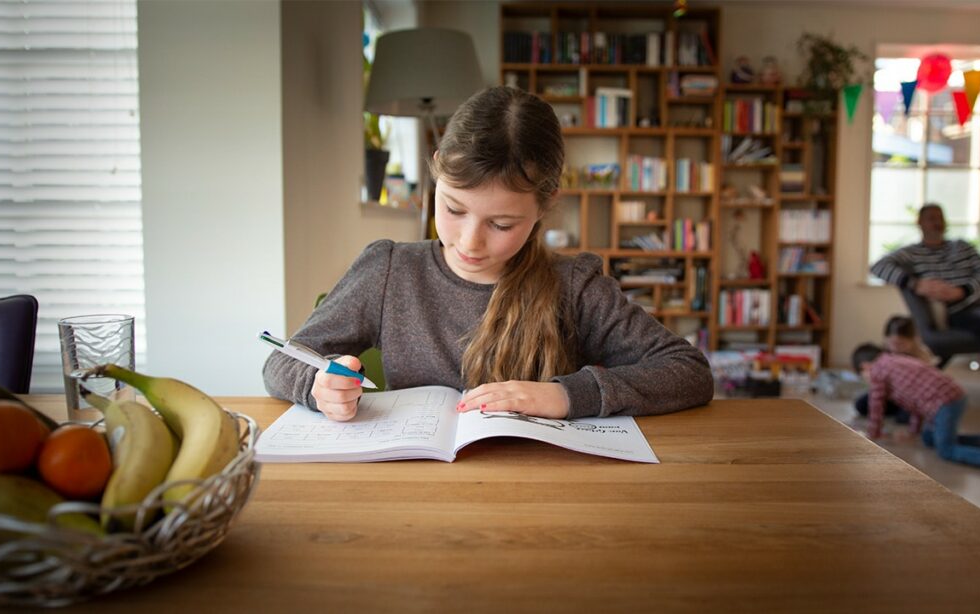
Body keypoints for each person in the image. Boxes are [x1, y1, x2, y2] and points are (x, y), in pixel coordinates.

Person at [262, 86, 714, 423]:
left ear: (544, 205)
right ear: (437, 170)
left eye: (502, 224)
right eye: (453, 209)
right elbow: (282, 361)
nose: (470, 242)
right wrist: (319, 387)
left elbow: (688, 372)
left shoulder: (573, 285)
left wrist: (568, 396)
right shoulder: (388, 269)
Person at [870, 203, 980, 405]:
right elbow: (877, 267)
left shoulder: (962, 247)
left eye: (940, 217)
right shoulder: (912, 253)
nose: (937, 221)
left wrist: (964, 290)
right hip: (961, 310)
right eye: (931, 217)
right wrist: (915, 283)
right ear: (920, 222)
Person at [852, 343, 980, 473]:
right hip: (954, 395)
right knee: (929, 437)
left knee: (946, 450)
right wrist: (914, 432)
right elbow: (915, 402)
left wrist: (873, 433)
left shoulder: (877, 370)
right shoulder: (894, 360)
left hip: (944, 403)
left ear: (865, 367)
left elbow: (876, 403)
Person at [854, 315, 934, 422]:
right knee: (861, 405)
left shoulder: (921, 356)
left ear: (914, 340)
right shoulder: (884, 354)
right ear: (886, 339)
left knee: (906, 417)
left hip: (910, 398)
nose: (896, 347)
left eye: (901, 344)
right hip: (890, 394)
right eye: (893, 343)